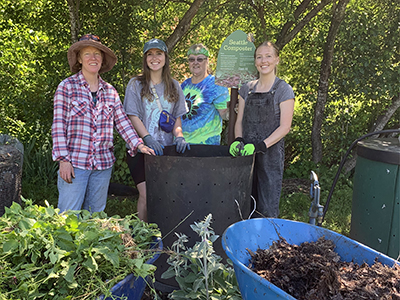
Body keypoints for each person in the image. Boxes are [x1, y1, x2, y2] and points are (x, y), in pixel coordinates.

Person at [52, 34, 155, 214]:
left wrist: (138, 144)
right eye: (87, 54)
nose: (93, 58)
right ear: (79, 59)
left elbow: (122, 122)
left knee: (95, 218)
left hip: (102, 166)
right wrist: (63, 159)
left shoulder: (110, 91)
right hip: (75, 164)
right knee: (68, 217)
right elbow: (58, 125)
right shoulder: (66, 87)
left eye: (97, 54)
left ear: (102, 59)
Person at [123, 38, 189, 221]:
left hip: (166, 151)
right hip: (142, 150)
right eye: (150, 54)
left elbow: (177, 118)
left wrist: (179, 137)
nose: (154, 58)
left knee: (165, 195)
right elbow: (132, 115)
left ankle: (162, 234)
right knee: (145, 195)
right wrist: (147, 138)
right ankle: (142, 235)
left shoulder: (174, 85)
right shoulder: (135, 84)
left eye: (158, 53)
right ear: (145, 59)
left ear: (165, 57)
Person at [230, 41, 295, 218]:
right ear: (255, 61)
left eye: (268, 56)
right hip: (246, 155)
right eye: (259, 57)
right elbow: (239, 120)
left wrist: (261, 146)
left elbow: (285, 127)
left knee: (267, 205)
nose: (263, 61)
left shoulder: (283, 89)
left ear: (276, 60)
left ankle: (266, 244)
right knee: (243, 203)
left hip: (270, 155)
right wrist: (239, 140)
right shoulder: (247, 89)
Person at [181, 44, 229, 145]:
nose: (195, 63)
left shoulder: (216, 84)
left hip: (206, 146)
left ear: (207, 61)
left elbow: (225, 114)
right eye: (191, 59)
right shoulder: (184, 85)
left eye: (200, 59)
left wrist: (237, 110)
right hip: (183, 146)